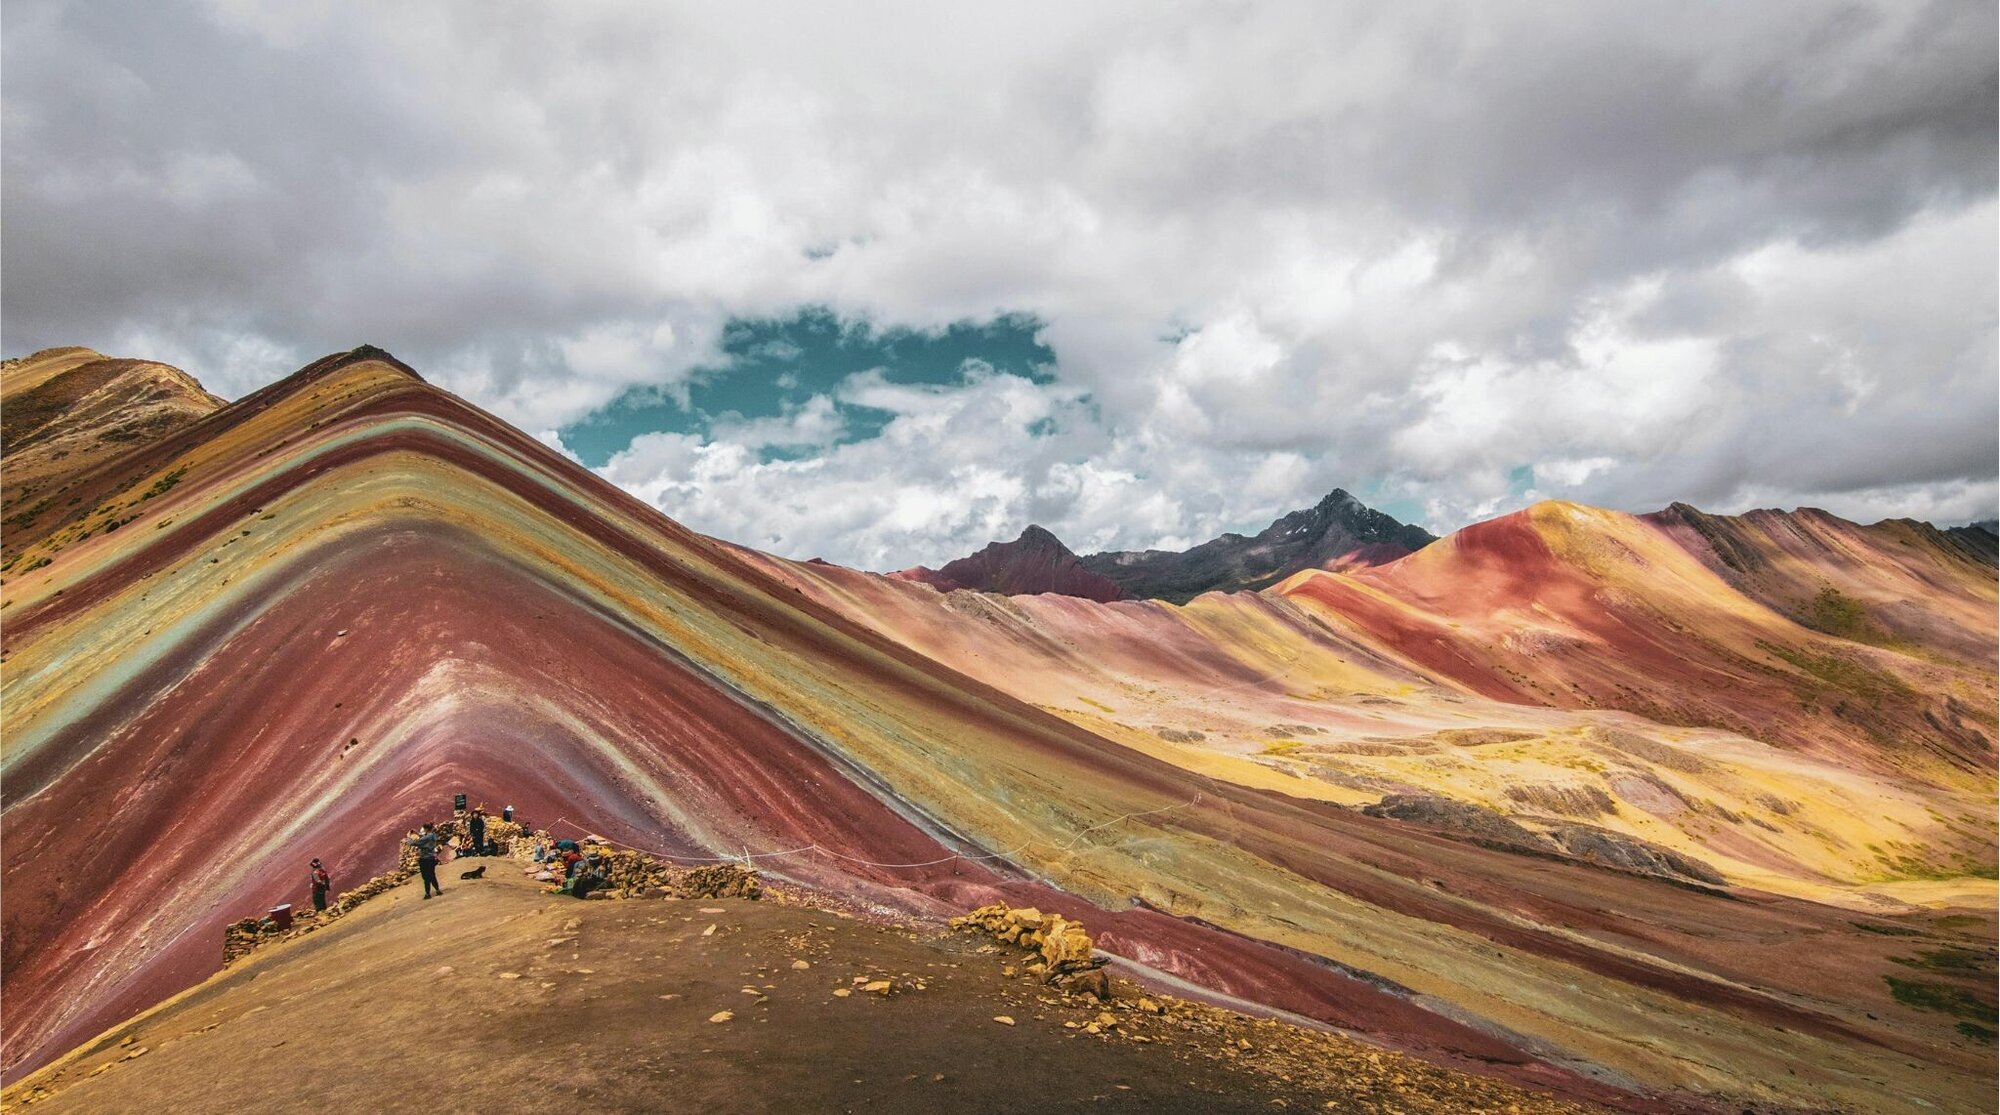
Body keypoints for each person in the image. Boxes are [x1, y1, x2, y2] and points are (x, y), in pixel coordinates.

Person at [406, 823, 444, 898]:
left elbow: (414, 843)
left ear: (426, 829)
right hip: (432, 858)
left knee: (426, 877)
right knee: (432, 875)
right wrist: (418, 834)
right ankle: (437, 890)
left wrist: (409, 837)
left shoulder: (426, 838)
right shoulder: (433, 835)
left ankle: (427, 894)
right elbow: (423, 839)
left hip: (425, 859)